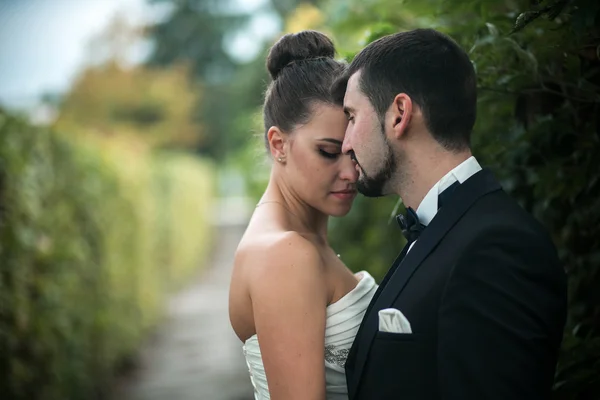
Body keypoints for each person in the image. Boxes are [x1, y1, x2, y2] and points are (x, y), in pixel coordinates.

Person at [331, 28, 568, 400]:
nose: (345, 143)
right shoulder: (440, 227)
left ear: (399, 114)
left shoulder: (499, 248)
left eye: (351, 116)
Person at [228, 30, 378, 400]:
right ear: (278, 144)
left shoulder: (297, 241)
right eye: (328, 152)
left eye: (353, 151)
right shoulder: (284, 254)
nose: (350, 173)